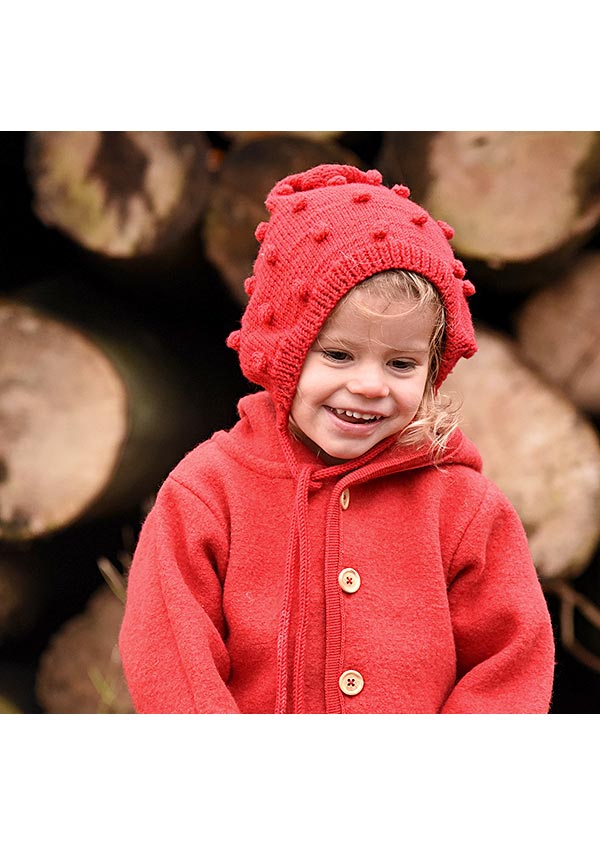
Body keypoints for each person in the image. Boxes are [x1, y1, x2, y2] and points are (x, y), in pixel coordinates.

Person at [118, 163, 555, 714]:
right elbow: (171, 652)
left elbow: (511, 660)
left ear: (433, 368)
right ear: (281, 348)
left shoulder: (463, 507)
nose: (369, 385)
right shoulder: (207, 493)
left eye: (401, 363)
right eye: (338, 354)